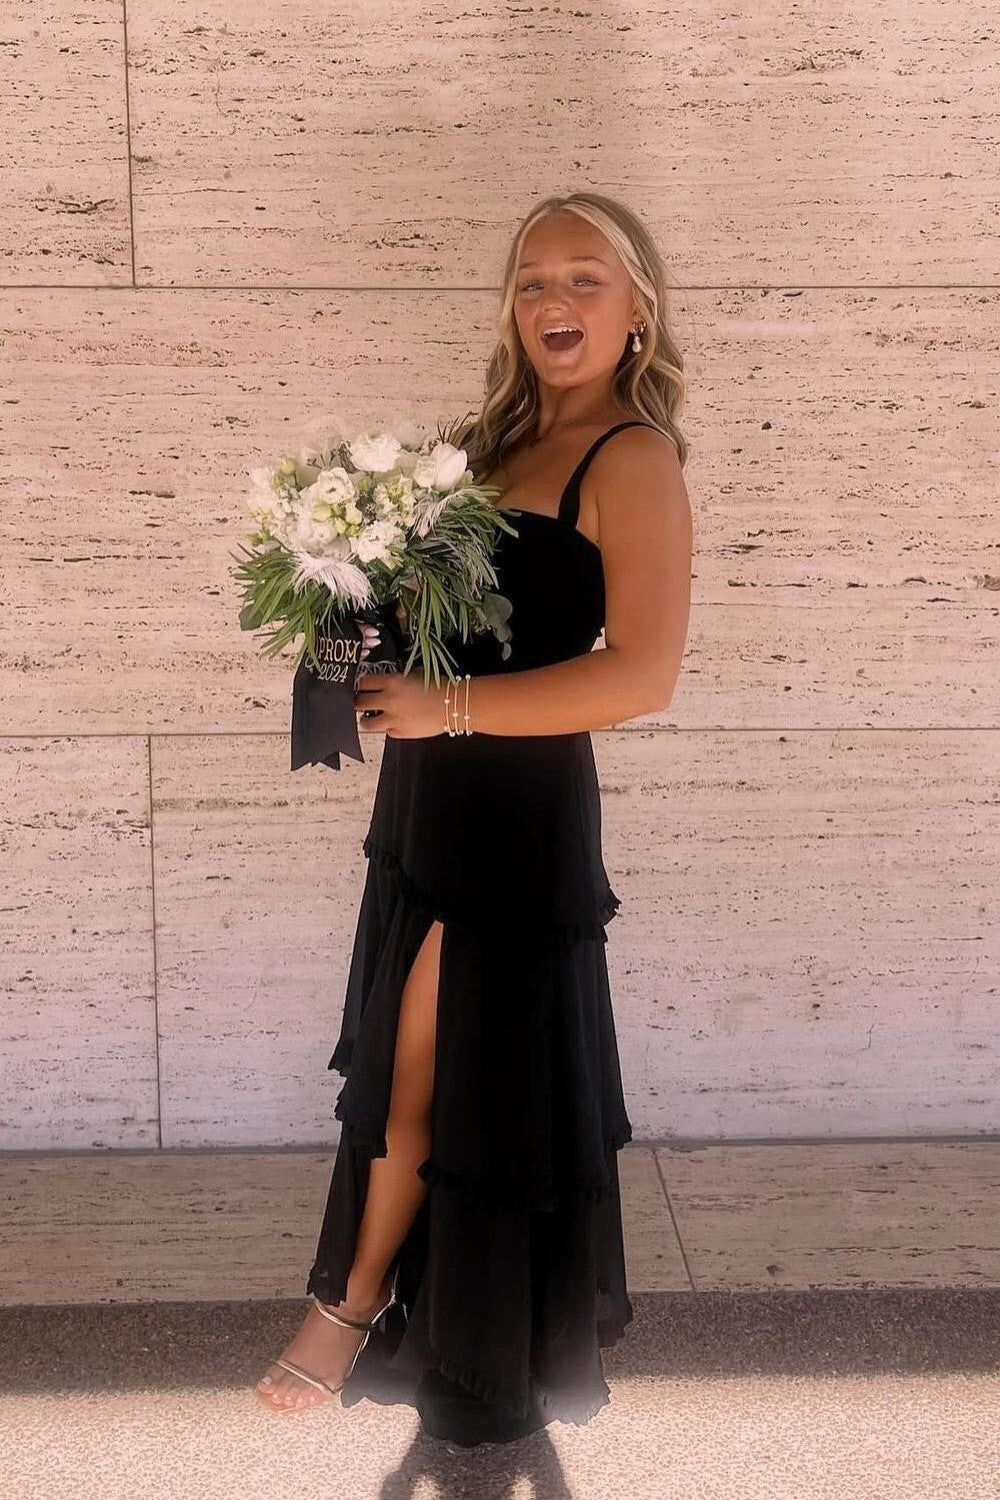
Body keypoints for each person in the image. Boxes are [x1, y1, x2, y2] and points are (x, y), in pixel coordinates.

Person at [255, 190, 693, 1446]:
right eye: (532, 281)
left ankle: (346, 1307)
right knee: (434, 1072)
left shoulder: (632, 459)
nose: (554, 301)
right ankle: (420, 1312)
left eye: (584, 278)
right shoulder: (478, 448)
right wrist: (340, 598)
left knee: (424, 1066)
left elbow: (643, 675)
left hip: (516, 816)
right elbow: (427, 621)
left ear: (636, 309)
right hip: (426, 804)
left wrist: (447, 707)